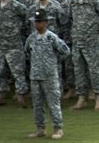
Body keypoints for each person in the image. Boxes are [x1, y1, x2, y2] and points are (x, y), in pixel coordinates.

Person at [25, 9, 70, 139]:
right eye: (35, 22)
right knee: (37, 104)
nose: (37, 24)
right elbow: (27, 52)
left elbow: (65, 51)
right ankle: (40, 128)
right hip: (35, 76)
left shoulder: (52, 37)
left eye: (39, 22)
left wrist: (54, 62)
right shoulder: (31, 38)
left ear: (46, 23)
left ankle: (58, 128)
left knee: (53, 103)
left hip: (49, 76)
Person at [0, 0, 29, 107]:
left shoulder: (17, 6)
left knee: (17, 71)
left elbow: (27, 18)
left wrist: (20, 31)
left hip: (14, 43)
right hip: (0, 43)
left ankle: (21, 95)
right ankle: (1, 94)